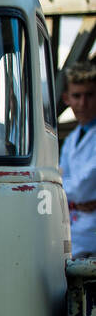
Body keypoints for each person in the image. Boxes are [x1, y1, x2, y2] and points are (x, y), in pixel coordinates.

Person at [61, 62, 96, 258]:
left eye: (89, 95)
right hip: (76, 227)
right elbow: (57, 181)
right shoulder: (71, 139)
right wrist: (75, 201)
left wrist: (67, 197)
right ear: (67, 98)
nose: (83, 103)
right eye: (77, 96)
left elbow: (84, 185)